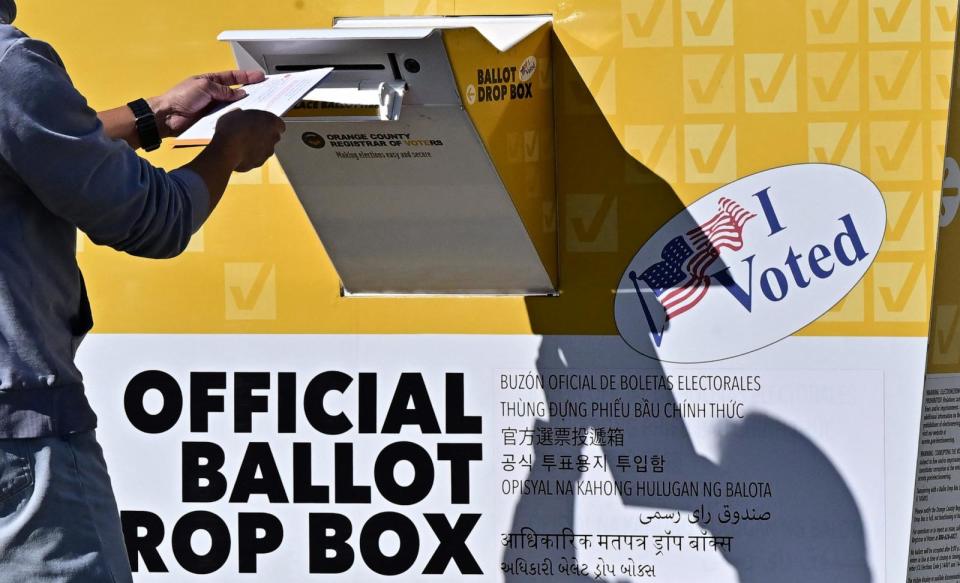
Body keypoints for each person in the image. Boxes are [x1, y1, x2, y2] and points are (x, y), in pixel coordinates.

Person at [0, 1, 286, 581]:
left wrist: (149, 116)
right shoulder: (9, 65)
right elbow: (154, 219)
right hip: (19, 445)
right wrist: (228, 150)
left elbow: (32, 145)